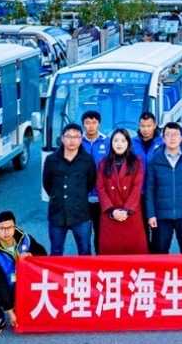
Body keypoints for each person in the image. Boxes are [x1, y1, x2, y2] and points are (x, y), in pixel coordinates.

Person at [0, 210, 47, 335]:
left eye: (9, 227)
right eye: (2, 228)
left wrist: (31, 255)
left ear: (14, 227)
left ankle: (27, 308)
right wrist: (10, 312)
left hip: (27, 281)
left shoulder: (26, 239)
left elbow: (43, 254)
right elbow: (0, 283)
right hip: (7, 284)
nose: (6, 232)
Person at [143, 122, 182, 254]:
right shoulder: (155, 160)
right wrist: (151, 215)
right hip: (161, 215)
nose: (172, 138)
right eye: (168, 135)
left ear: (181, 138)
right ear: (163, 138)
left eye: (175, 134)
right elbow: (150, 190)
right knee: (159, 253)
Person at [42, 124, 97, 256]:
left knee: (85, 251)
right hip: (57, 214)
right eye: (68, 136)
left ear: (81, 139)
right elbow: (47, 184)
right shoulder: (51, 160)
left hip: (81, 214)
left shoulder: (87, 160)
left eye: (76, 137)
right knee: (56, 251)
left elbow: (91, 182)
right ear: (62, 138)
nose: (72, 140)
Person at [97, 129, 147, 254]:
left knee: (134, 254)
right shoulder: (104, 163)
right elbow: (100, 188)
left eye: (123, 141)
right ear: (111, 143)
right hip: (110, 214)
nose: (119, 144)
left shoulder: (136, 162)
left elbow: (137, 187)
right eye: (116, 140)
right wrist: (111, 210)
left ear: (128, 143)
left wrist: (127, 210)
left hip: (130, 213)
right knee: (110, 254)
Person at [80, 110, 109, 252]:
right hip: (82, 199)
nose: (91, 126)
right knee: (84, 237)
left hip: (101, 198)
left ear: (99, 124)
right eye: (87, 123)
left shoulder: (107, 142)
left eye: (94, 122)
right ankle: (85, 263)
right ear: (83, 125)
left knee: (101, 235)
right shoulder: (78, 142)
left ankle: (99, 262)